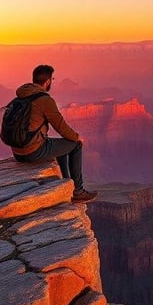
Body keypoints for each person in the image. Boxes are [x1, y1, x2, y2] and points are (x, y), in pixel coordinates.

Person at [11, 64, 98, 203]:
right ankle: (78, 191)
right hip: (32, 152)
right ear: (47, 81)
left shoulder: (21, 97)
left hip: (18, 152)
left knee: (60, 146)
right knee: (75, 145)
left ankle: (64, 183)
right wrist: (77, 137)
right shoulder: (44, 100)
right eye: (52, 79)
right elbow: (60, 126)